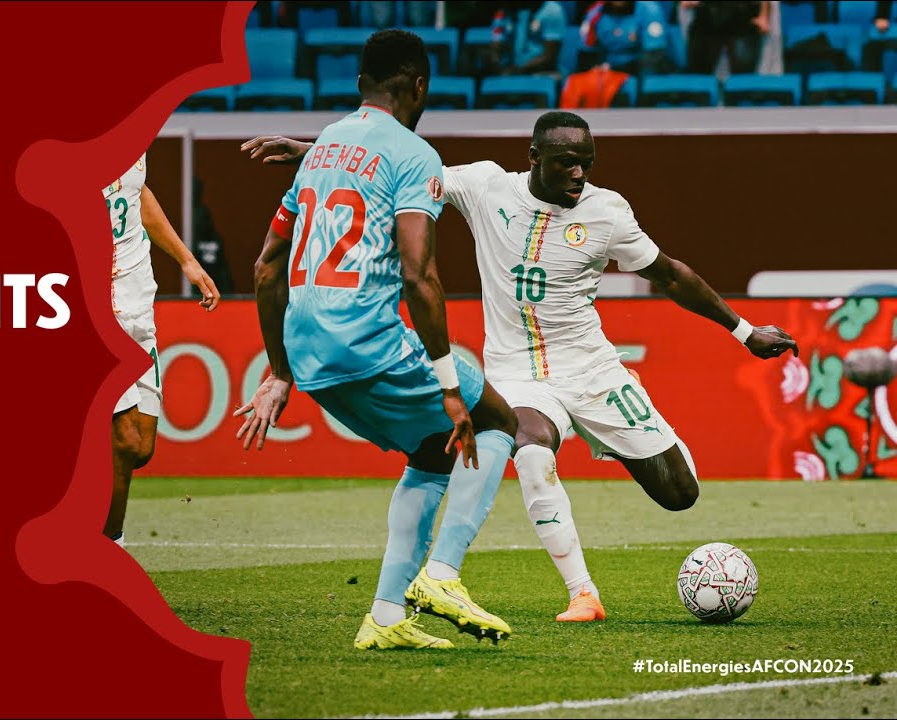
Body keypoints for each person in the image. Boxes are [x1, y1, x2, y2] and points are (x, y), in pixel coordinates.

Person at [241, 111, 798, 624]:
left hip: (593, 369)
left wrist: (746, 332)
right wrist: (313, 152)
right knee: (528, 445)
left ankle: (625, 418)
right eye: (566, 163)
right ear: (533, 156)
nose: (578, 174)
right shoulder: (487, 185)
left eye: (586, 163)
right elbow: (400, 170)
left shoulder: (608, 213)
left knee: (680, 494)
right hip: (516, 374)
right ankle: (583, 594)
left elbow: (671, 275)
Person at [235, 29, 520, 650]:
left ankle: (387, 618)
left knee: (432, 450)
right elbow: (419, 277)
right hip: (369, 341)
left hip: (308, 355)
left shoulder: (323, 148)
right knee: (500, 421)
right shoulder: (416, 155)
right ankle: (442, 576)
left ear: (361, 83)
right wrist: (449, 386)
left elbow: (265, 268)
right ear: (419, 85)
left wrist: (279, 372)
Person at [105, 152, 220, 548]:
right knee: (123, 441)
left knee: (141, 447)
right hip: (96, 308)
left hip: (137, 304)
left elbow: (136, 192)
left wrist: (187, 260)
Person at [578, 0, 670, 74]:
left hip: (639, 71)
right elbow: (586, 52)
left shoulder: (649, 9)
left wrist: (616, 71)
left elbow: (654, 53)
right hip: (605, 72)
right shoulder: (595, 12)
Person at [683, 0, 770, 75]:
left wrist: (764, 15)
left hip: (743, 18)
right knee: (699, 74)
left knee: (743, 77)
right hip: (707, 17)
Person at [486, 1, 567, 76]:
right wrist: (496, 61)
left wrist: (517, 71)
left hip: (544, 72)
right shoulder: (505, 11)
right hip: (513, 71)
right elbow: (496, 44)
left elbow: (549, 57)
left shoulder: (552, 11)